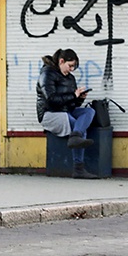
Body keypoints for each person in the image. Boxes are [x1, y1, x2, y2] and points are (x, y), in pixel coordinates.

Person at [36, 48, 98, 179]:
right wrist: (73, 95)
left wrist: (79, 98)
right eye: (70, 66)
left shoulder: (70, 78)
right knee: (77, 125)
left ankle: (75, 136)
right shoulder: (47, 74)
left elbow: (72, 105)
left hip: (65, 111)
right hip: (49, 113)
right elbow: (51, 100)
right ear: (61, 61)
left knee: (89, 112)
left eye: (73, 67)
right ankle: (79, 168)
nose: (71, 69)